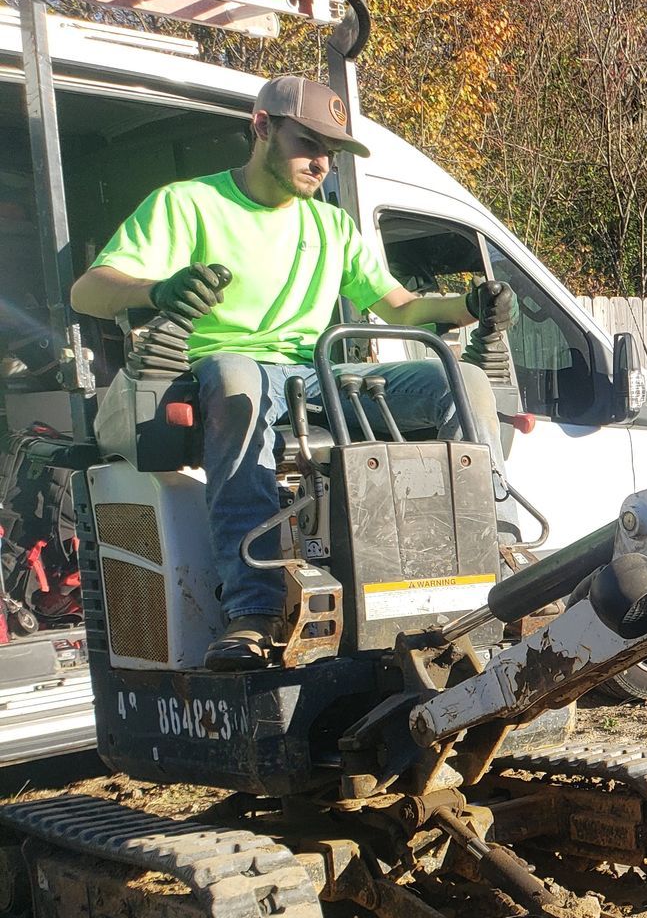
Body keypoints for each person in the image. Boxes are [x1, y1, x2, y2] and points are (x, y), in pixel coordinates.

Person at [69, 75, 515, 670]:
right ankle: (251, 610)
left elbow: (402, 308)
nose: (322, 161)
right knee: (236, 380)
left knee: (467, 382)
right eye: (309, 142)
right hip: (234, 375)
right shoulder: (187, 204)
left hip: (320, 377)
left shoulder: (331, 227)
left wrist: (471, 305)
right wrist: (159, 288)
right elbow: (87, 293)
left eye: (332, 151)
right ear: (261, 128)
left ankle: (501, 551)